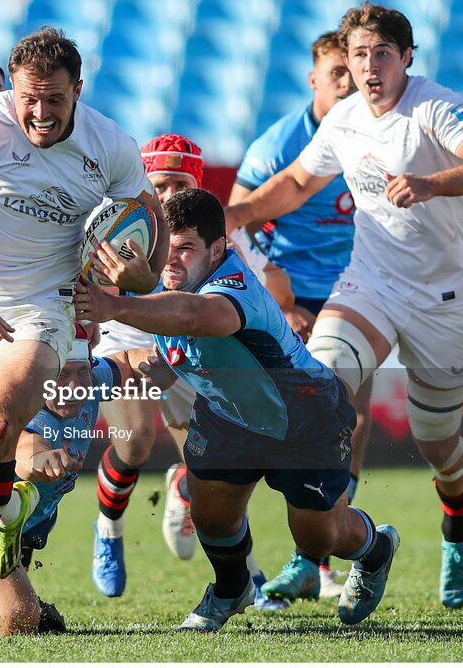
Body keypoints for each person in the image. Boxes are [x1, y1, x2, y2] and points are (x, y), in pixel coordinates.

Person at [223, 3, 463, 610]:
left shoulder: (435, 106)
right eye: (358, 55)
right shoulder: (343, 117)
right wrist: (237, 213)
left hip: (445, 299)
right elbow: (297, 184)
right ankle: (346, 552)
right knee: (320, 393)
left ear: (407, 57)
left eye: (381, 53)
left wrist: (435, 182)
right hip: (371, 283)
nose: (369, 66)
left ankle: (457, 522)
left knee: (436, 440)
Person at [0, 27, 167, 643]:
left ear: (78, 90)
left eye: (54, 99)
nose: (40, 113)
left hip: (44, 308)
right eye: (29, 99)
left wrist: (135, 275)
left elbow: (149, 251)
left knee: (3, 431)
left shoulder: (112, 147)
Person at [74, 188, 399, 630]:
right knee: (211, 515)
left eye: (186, 248)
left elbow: (196, 318)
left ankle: (375, 549)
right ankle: (231, 590)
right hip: (228, 415)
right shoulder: (172, 291)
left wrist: (116, 302)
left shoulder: (234, 285)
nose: (172, 260)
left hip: (303, 418)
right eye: (166, 249)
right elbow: (159, 356)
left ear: (218, 248)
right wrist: (83, 378)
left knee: (322, 538)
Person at [88, 134, 287, 614]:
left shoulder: (218, 237)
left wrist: (283, 310)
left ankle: (246, 575)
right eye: (160, 183)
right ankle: (109, 530)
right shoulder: (118, 226)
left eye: (180, 182)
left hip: (189, 351)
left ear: (196, 183)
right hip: (129, 342)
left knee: (214, 471)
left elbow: (270, 283)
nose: (170, 194)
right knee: (133, 441)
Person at [0, 325, 174, 635]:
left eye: (82, 373)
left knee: (22, 613)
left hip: (23, 521)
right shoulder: (17, 396)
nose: (73, 386)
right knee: (14, 621)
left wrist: (167, 360)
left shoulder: (90, 380)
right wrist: (43, 458)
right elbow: (25, 448)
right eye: (61, 375)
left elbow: (127, 361)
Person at [227, 31, 361, 599]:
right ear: (314, 78)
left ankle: (320, 558)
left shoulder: (374, 133)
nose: (349, 82)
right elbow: (234, 226)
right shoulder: (279, 145)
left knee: (353, 415)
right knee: (284, 418)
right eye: (336, 72)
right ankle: (307, 553)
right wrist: (281, 303)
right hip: (291, 302)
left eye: (353, 71)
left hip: (360, 291)